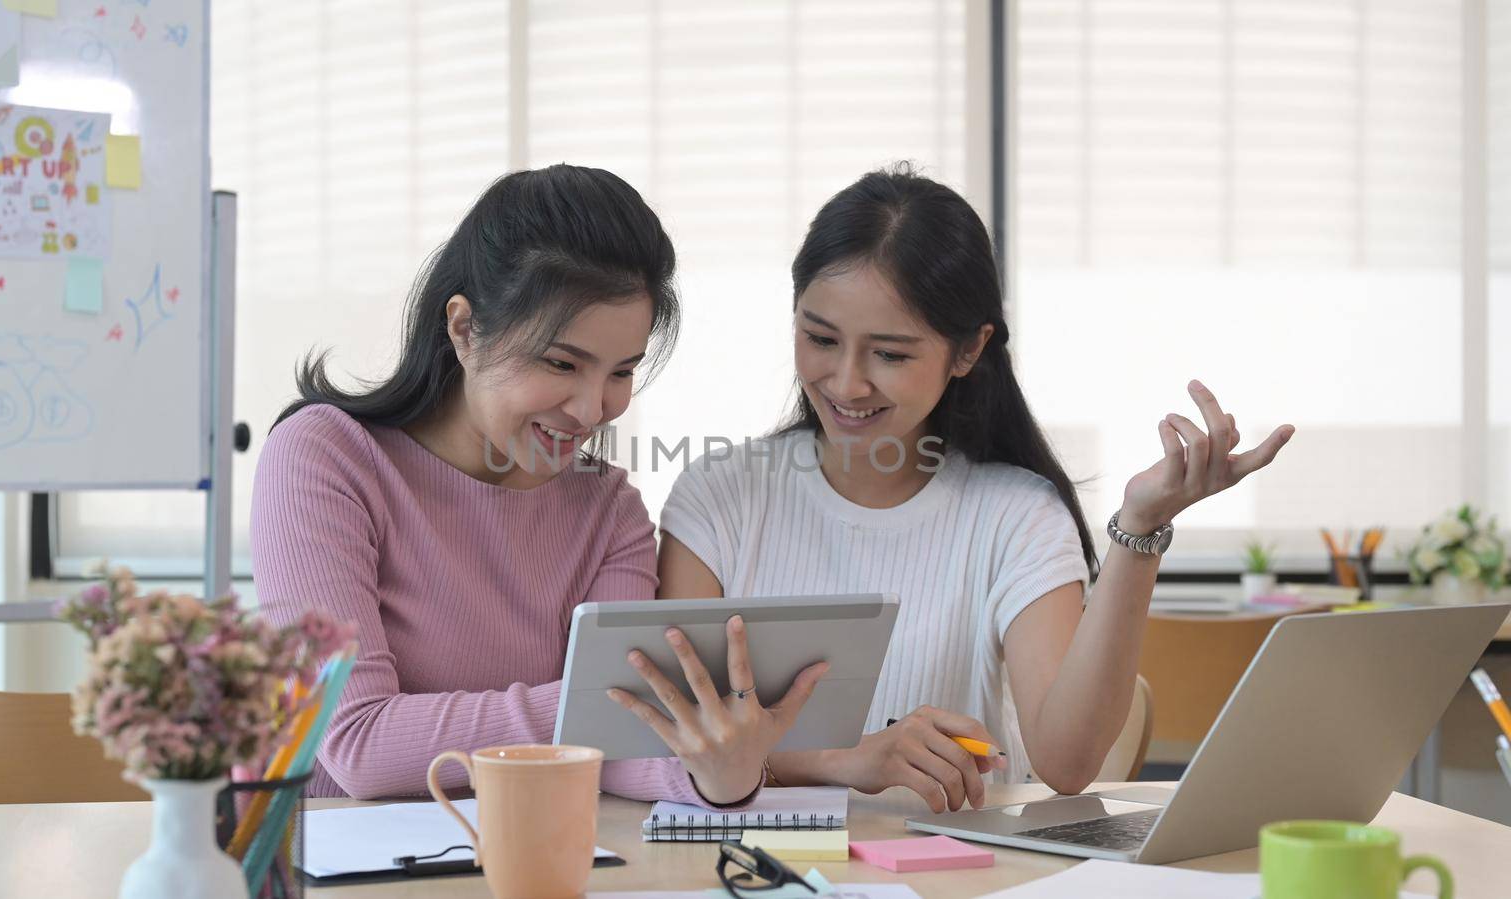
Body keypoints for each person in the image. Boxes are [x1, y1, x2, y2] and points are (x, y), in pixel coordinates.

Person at [657, 163, 1294, 813]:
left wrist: (1140, 528)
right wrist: (849, 759)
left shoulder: (1014, 513)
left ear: (966, 351)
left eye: (890, 354)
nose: (846, 383)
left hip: (948, 873)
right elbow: (666, 741)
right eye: (820, 338)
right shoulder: (719, 496)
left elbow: (1070, 763)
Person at [252, 164, 826, 803]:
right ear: (466, 329)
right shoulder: (326, 458)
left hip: (532, 861)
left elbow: (622, 751)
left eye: (621, 371)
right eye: (561, 363)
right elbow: (359, 749)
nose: (591, 409)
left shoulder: (612, 514)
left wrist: (717, 771)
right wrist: (602, 703)